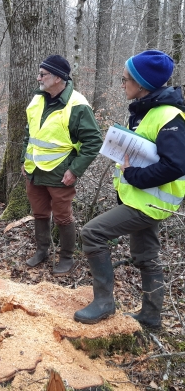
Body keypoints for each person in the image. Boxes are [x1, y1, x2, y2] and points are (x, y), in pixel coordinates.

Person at [74, 50, 185, 328]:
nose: (122, 84)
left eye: (125, 79)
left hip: (151, 202)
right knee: (146, 257)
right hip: (140, 199)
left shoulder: (169, 116)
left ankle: (103, 303)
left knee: (92, 233)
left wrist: (134, 175)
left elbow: (176, 165)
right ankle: (150, 316)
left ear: (142, 84)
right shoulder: (143, 110)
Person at [21, 55, 102, 276]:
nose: (38, 78)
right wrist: (23, 159)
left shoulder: (77, 105)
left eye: (43, 74)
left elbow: (94, 141)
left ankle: (66, 257)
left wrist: (74, 170)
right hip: (34, 171)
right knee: (39, 213)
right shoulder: (37, 100)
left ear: (58, 77)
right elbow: (29, 134)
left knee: (63, 217)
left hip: (60, 173)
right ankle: (42, 251)